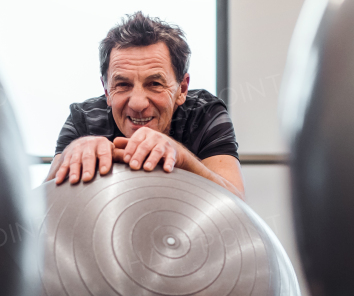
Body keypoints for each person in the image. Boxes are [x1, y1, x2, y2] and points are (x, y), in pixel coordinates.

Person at [50, 12, 245, 199]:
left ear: (182, 89)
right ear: (107, 90)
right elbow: (39, 209)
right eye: (123, 85)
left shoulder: (204, 113)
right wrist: (69, 157)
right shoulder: (83, 118)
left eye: (154, 84)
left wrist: (183, 159)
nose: (137, 104)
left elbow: (237, 207)